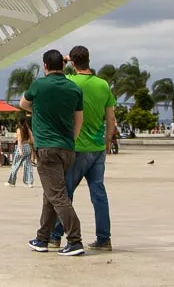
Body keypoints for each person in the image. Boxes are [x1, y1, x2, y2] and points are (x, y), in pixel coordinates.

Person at [49, 46, 116, 251]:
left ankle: (56, 235)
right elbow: (111, 118)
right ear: (89, 60)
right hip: (97, 147)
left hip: (76, 147)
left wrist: (64, 60)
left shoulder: (70, 82)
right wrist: (107, 141)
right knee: (99, 194)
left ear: (72, 62)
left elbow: (57, 74)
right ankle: (104, 238)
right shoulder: (103, 85)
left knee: (65, 193)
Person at [21, 49, 85, 256]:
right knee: (50, 195)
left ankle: (75, 240)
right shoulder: (74, 88)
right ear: (63, 65)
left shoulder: (39, 85)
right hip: (67, 149)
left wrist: (39, 110)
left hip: (47, 149)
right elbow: (79, 120)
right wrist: (71, 141)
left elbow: (23, 104)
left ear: (45, 65)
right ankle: (42, 238)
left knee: (58, 196)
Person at [7, 117, 35, 187]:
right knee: (28, 166)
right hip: (28, 147)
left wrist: (19, 150)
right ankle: (29, 182)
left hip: (21, 147)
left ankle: (12, 182)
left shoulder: (19, 130)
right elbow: (32, 140)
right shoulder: (28, 129)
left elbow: (19, 141)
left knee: (15, 165)